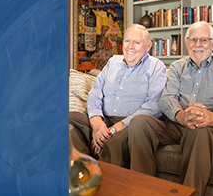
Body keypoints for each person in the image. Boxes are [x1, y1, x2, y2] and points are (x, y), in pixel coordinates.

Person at [127, 21, 213, 196]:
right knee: (140, 122)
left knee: (199, 130)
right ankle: (142, 195)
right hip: (176, 124)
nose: (198, 44)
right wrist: (180, 115)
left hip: (209, 128)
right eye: (193, 40)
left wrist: (212, 118)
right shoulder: (176, 67)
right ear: (186, 43)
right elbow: (166, 99)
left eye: (204, 40)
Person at [69, 24, 166, 166]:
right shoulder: (113, 62)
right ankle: (84, 170)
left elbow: (154, 106)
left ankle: (108, 184)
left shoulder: (156, 67)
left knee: (114, 143)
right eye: (127, 41)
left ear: (148, 46)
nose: (130, 46)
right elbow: (95, 93)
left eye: (136, 42)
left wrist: (115, 129)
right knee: (68, 120)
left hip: (130, 124)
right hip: (104, 119)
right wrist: (97, 124)